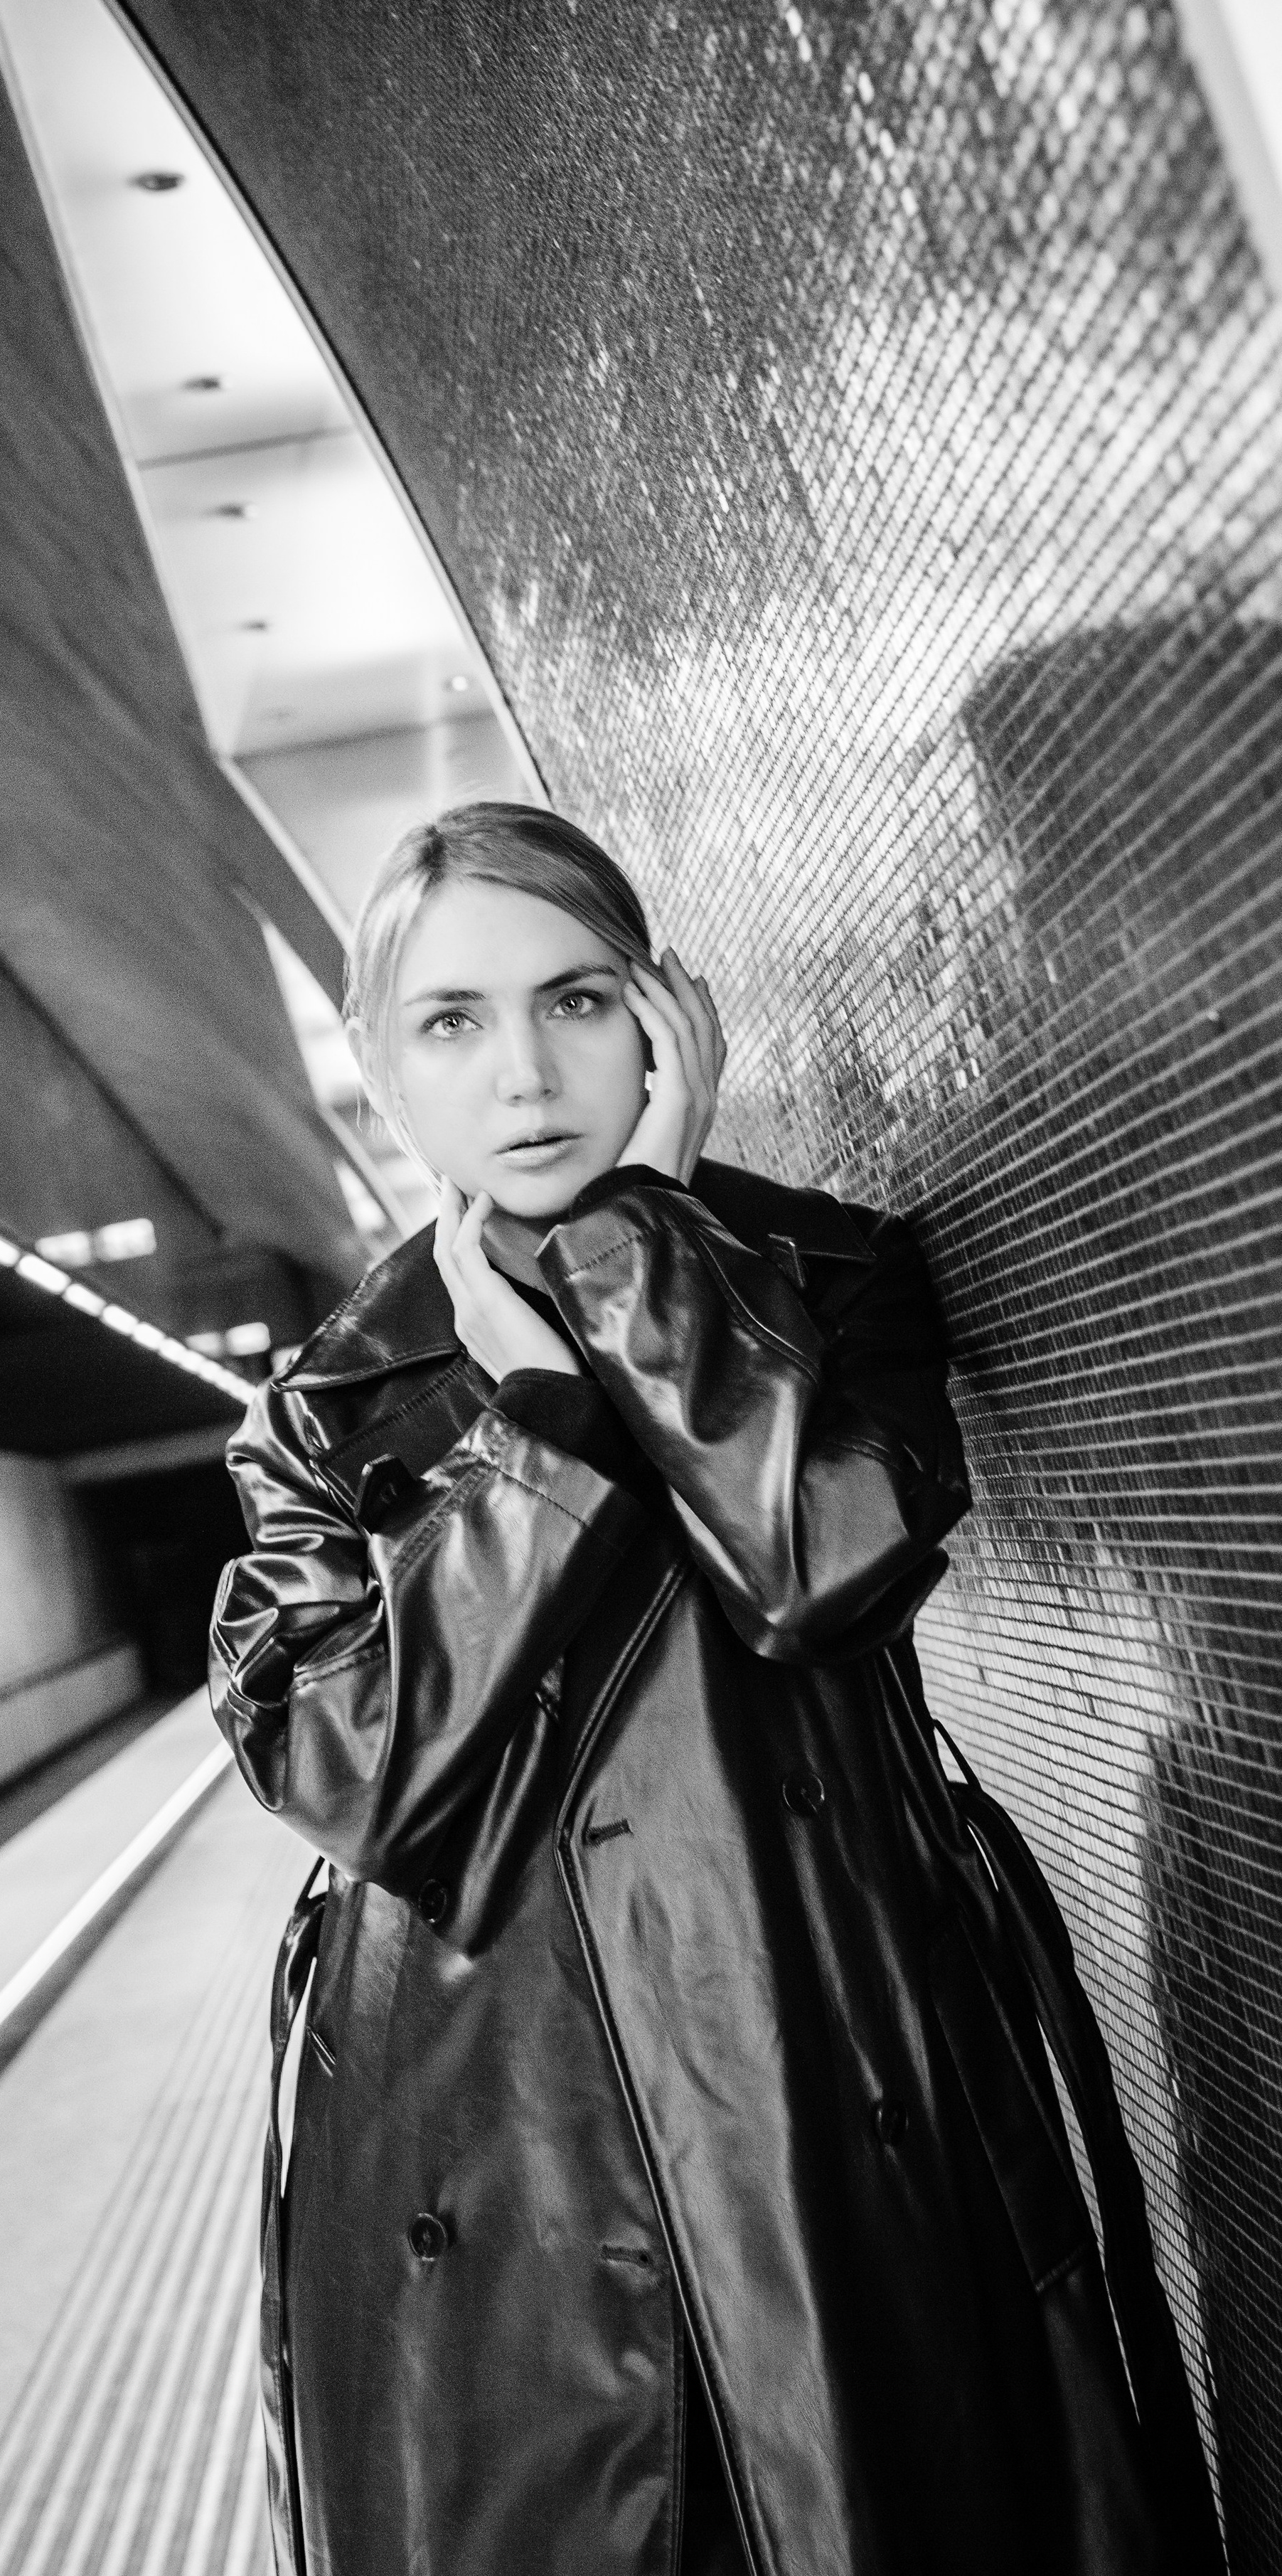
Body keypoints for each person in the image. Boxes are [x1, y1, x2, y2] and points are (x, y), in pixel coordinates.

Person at [208, 801, 1216, 2576]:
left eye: (575, 1001)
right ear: (382, 1070)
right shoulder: (323, 1406)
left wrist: (641, 1249)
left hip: (824, 2059)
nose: (523, 1073)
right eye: (451, 1022)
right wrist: (526, 1439)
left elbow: (815, 1571)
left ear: (666, 1017)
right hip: (493, 2138)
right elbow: (350, 1777)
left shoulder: (828, 1279)